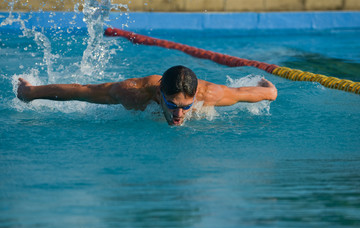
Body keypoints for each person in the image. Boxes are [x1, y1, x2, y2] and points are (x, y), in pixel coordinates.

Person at [17, 65, 277, 126]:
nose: (178, 115)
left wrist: (269, 90)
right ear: (158, 93)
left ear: (195, 96)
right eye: (172, 105)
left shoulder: (210, 95)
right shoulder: (133, 93)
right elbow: (82, 92)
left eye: (186, 107)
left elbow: (249, 93)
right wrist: (30, 93)